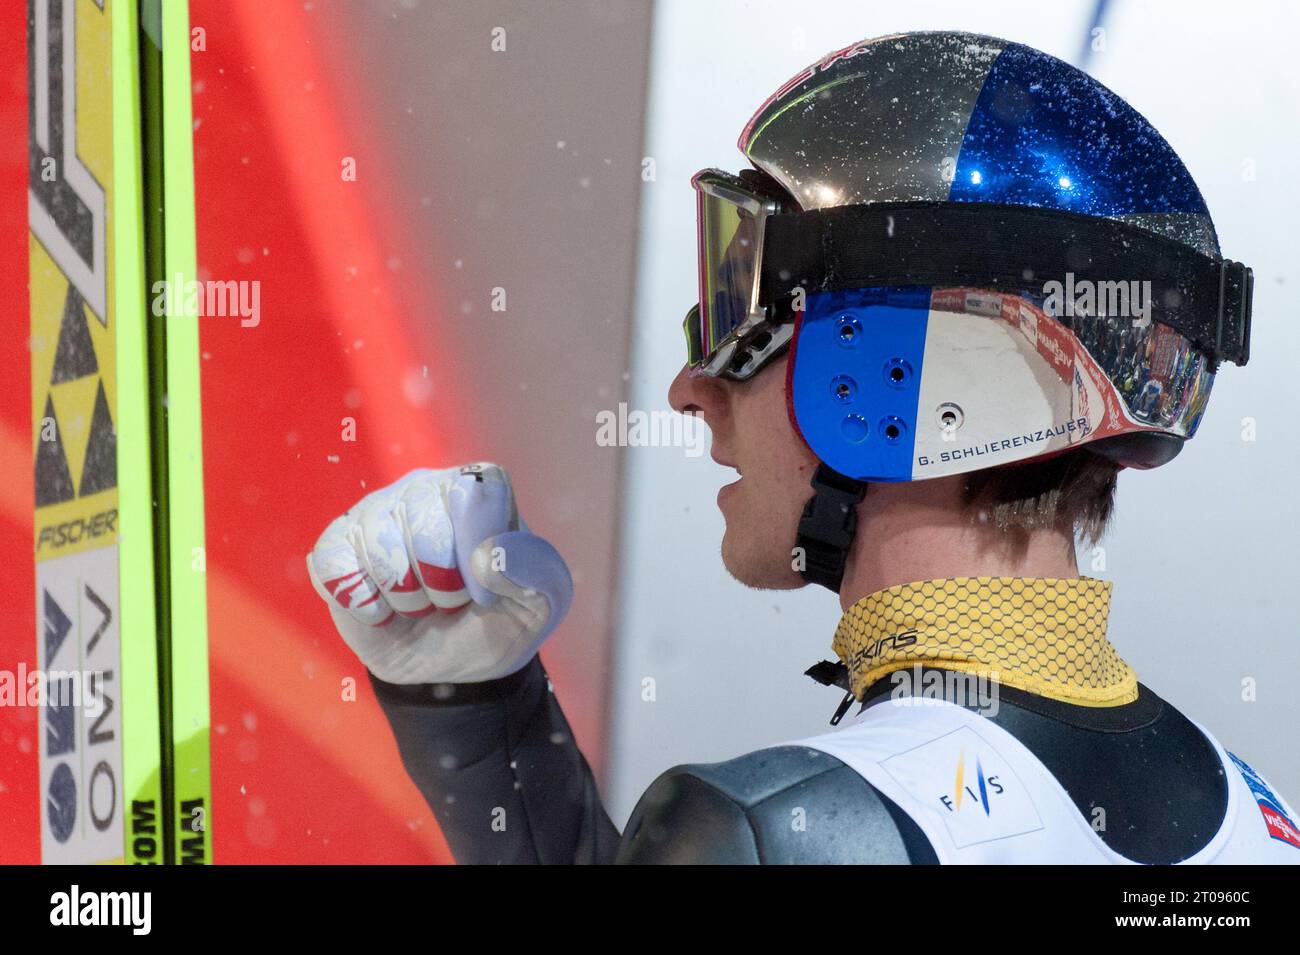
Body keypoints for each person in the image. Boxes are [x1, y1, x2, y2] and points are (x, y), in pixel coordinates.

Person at [307, 32, 1298, 864]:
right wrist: (482, 712)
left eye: (748, 316)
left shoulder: (777, 829)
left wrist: (475, 721)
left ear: (918, 381)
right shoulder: (1262, 823)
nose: (692, 390)